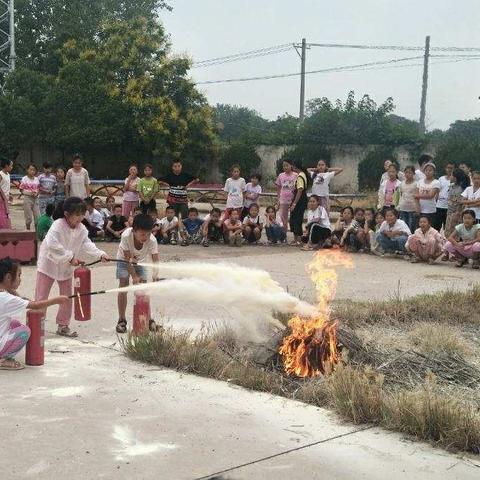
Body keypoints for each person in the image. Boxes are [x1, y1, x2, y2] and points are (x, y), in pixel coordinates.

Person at [35, 197, 108, 337]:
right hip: (48, 264)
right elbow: (53, 245)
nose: (80, 218)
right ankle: (37, 324)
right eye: (77, 214)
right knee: (41, 296)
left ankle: (63, 325)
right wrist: (70, 257)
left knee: (67, 296)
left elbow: (87, 244)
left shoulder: (82, 229)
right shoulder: (57, 225)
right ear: (67, 214)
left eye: (82, 214)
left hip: (65, 268)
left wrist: (100, 254)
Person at [0, 258, 68, 371]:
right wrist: (56, 300)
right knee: (23, 332)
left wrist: (15, 293)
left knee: (15, 324)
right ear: (8, 277)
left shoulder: (4, 294)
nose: (20, 280)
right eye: (18, 275)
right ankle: (3, 359)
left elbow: (17, 297)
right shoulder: (5, 298)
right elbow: (35, 305)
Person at [115, 214, 161, 333]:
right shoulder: (126, 235)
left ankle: (148, 319)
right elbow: (127, 260)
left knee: (143, 291)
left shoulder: (152, 240)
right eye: (142, 234)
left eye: (148, 233)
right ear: (134, 231)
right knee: (123, 286)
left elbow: (155, 259)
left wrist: (155, 274)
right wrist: (134, 276)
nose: (145, 237)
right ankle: (122, 320)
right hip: (123, 260)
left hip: (140, 262)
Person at [444, 168, 470, 240]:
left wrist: (458, 213)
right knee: (447, 232)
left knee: (455, 234)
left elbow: (461, 202)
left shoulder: (462, 188)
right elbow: (449, 198)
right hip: (449, 212)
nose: (450, 176)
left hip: (457, 214)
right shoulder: (451, 186)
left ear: (456, 177)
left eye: (452, 175)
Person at [289, 160, 309, 245]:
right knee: (295, 218)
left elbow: (300, 191)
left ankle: (298, 239)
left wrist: (294, 203)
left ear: (294, 166)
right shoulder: (302, 174)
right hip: (301, 199)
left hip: (300, 200)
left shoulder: (300, 176)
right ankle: (296, 239)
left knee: (296, 219)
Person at [275, 160, 297, 232]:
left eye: (287, 165)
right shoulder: (281, 175)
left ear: (291, 165)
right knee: (283, 219)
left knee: (293, 219)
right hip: (283, 200)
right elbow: (278, 187)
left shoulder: (296, 175)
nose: (285, 167)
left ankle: (295, 235)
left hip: (293, 200)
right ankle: (284, 235)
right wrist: (279, 198)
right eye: (284, 166)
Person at [397, 165, 420, 233]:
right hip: (403, 208)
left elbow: (417, 197)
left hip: (412, 210)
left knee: (411, 228)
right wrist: (398, 206)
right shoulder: (402, 184)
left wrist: (417, 210)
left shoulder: (416, 184)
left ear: (413, 174)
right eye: (406, 172)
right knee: (403, 227)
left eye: (410, 172)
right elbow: (401, 195)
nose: (408, 174)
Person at [434, 162, 454, 232]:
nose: (449, 170)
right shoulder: (441, 179)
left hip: (449, 207)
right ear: (445, 169)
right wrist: (435, 203)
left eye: (451, 168)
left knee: (447, 227)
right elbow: (437, 192)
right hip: (439, 205)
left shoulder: (455, 180)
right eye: (448, 168)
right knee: (436, 226)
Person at [19, 164, 40, 231]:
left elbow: (38, 189)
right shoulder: (24, 178)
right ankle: (28, 231)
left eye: (34, 170)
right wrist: (29, 193)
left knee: (37, 218)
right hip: (27, 199)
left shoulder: (37, 179)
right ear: (27, 170)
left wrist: (36, 194)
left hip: (35, 199)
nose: (32, 171)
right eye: (30, 169)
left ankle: (37, 233)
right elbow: (21, 189)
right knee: (28, 218)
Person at [0, 159, 12, 229]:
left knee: (6, 213)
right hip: (1, 198)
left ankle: (5, 228)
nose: (12, 167)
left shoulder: (8, 175)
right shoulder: (0, 174)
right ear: (6, 166)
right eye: (11, 165)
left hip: (5, 198)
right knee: (2, 213)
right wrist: (3, 196)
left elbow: (6, 186)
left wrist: (9, 194)